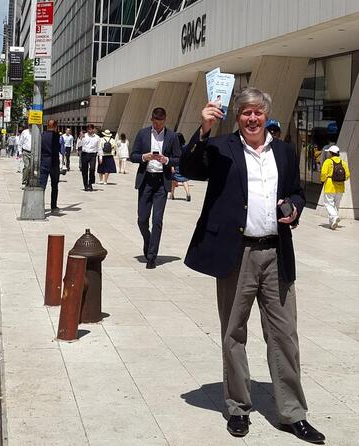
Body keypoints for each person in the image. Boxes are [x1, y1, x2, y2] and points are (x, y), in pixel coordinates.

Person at [179, 87, 325, 444]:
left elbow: (294, 192)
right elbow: (189, 168)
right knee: (233, 333)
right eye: (246, 112)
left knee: (284, 336)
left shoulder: (286, 152)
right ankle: (238, 408)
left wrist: (292, 208)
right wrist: (203, 130)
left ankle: (292, 413)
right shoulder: (221, 147)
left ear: (267, 115)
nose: (252, 118)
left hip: (276, 252)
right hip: (236, 254)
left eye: (258, 112)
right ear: (238, 116)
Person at [130, 107, 181, 269]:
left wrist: (166, 160)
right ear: (151, 120)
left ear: (165, 121)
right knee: (142, 219)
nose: (158, 125)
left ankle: (152, 256)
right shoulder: (143, 133)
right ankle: (148, 239)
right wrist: (144, 157)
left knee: (157, 220)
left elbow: (178, 158)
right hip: (146, 180)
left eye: (161, 122)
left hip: (161, 181)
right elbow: (133, 155)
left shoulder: (172, 136)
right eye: (155, 122)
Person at [320, 144, 350, 229]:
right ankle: (333, 223)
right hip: (340, 187)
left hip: (330, 186)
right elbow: (347, 175)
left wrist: (323, 180)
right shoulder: (343, 162)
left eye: (329, 152)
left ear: (331, 153)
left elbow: (323, 174)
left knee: (328, 203)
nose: (328, 154)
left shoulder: (328, 162)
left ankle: (334, 216)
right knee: (336, 205)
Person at [40, 120, 61, 212]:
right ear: (55, 126)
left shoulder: (41, 135)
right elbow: (59, 149)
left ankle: (40, 205)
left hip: (44, 162)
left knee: (42, 185)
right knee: (54, 185)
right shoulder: (57, 136)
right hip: (54, 163)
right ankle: (53, 206)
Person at [170, 133, 191, 201]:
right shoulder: (185, 147)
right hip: (184, 165)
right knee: (184, 180)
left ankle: (172, 194)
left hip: (176, 165)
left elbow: (172, 157)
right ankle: (188, 193)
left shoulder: (174, 147)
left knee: (173, 180)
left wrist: (172, 167)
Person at [80, 124, 100, 191]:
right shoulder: (83, 136)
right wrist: (81, 138)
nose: (89, 131)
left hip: (93, 155)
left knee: (92, 169)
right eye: (88, 129)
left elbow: (99, 147)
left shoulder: (97, 137)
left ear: (93, 129)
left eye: (91, 129)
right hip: (85, 154)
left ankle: (90, 183)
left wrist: (100, 156)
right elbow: (79, 145)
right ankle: (85, 185)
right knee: (84, 170)